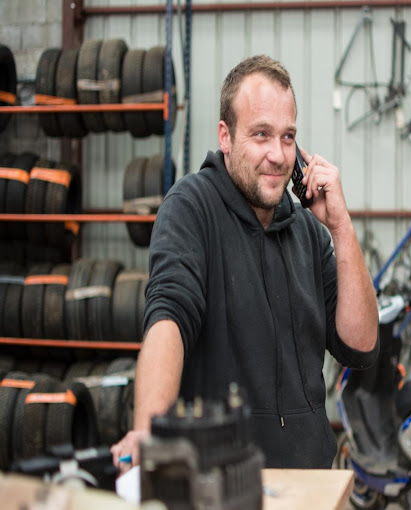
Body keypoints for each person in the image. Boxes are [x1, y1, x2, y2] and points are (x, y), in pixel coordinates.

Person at [111, 54, 379, 470]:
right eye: (261, 134)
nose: (277, 154)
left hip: (310, 484)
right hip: (222, 483)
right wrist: (151, 431)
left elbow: (360, 346)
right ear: (226, 136)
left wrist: (341, 229)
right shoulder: (191, 209)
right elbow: (168, 318)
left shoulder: (308, 232)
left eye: (288, 137)